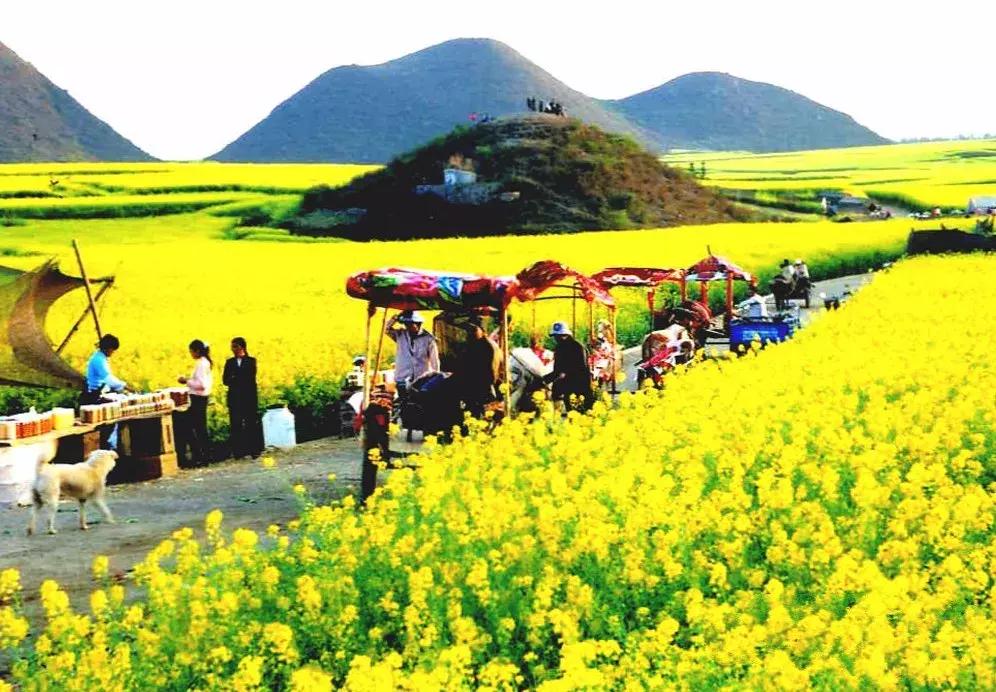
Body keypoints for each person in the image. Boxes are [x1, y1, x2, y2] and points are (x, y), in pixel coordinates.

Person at [83, 333, 126, 449]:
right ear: (108, 348)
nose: (112, 353)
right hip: (95, 395)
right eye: (112, 350)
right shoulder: (98, 360)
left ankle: (108, 445)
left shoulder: (101, 358)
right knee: (108, 423)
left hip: (101, 392)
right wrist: (125, 386)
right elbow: (109, 379)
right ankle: (107, 446)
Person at [222, 337, 262, 460]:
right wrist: (235, 379)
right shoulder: (229, 362)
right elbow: (225, 380)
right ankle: (238, 452)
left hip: (248, 397)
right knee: (236, 425)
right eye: (232, 347)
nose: (232, 349)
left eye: (235, 346)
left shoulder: (251, 361)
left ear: (241, 347)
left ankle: (254, 450)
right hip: (234, 398)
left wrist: (235, 378)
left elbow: (249, 378)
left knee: (251, 424)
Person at [177, 339, 213, 467]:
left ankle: (202, 457)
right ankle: (202, 456)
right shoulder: (204, 362)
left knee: (196, 428)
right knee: (198, 428)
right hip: (200, 398)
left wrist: (186, 381)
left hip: (198, 399)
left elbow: (201, 385)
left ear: (197, 351)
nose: (191, 354)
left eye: (191, 351)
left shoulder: (201, 364)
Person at [544, 322, 593, 412]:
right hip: (570, 388)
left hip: (580, 387)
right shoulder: (560, 348)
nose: (556, 339)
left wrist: (546, 380)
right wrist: (545, 380)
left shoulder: (577, 347)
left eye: (557, 336)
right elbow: (558, 371)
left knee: (581, 414)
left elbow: (581, 368)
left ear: (564, 335)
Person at [458, 319, 499, 418]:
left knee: (482, 409)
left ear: (482, 331)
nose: (470, 332)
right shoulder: (471, 343)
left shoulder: (487, 346)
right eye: (469, 330)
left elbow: (492, 368)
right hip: (470, 383)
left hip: (482, 384)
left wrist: (489, 383)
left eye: (474, 330)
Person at [387, 311, 439, 386]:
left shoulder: (428, 339)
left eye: (411, 324)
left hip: (421, 380)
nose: (409, 327)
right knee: (403, 397)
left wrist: (435, 379)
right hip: (402, 378)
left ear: (419, 324)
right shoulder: (400, 334)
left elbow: (435, 361)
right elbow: (387, 329)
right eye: (407, 324)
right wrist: (395, 318)